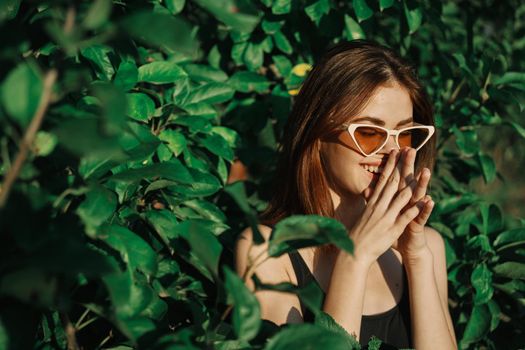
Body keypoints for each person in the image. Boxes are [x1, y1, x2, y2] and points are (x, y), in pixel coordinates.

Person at [234, 40, 457, 349]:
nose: (392, 150)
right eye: (369, 133)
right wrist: (355, 258)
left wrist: (416, 258)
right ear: (317, 133)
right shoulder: (266, 252)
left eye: (405, 134)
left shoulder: (426, 246)